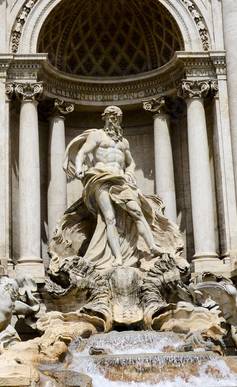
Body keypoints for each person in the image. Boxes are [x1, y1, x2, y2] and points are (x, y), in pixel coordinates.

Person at [64, 106, 173, 268]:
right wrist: (79, 167)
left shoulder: (123, 142)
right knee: (109, 218)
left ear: (120, 120)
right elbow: (82, 153)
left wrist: (130, 173)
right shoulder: (97, 135)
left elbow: (131, 163)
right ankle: (117, 258)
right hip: (100, 178)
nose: (113, 119)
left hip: (121, 181)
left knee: (137, 211)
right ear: (105, 118)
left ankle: (152, 246)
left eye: (116, 117)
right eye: (110, 116)